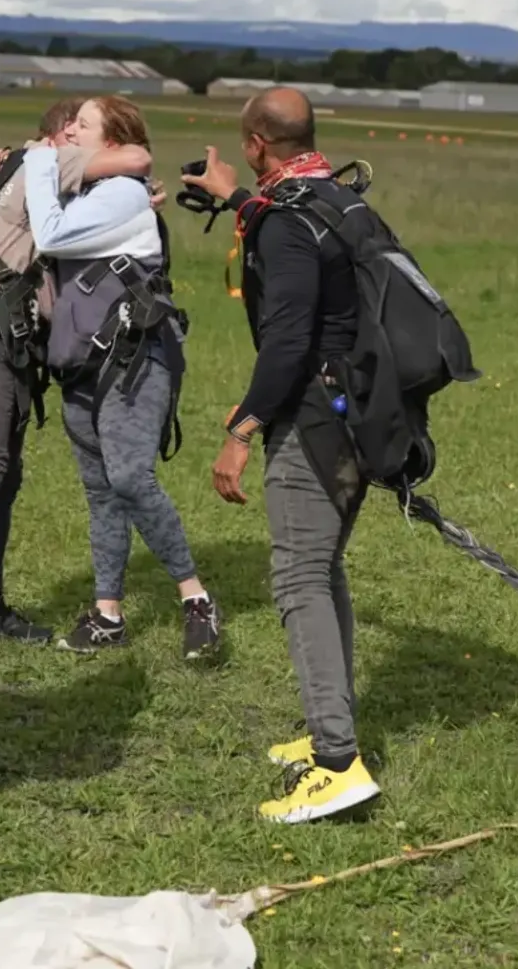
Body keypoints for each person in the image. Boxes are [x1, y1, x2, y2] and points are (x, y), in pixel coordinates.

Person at [0, 98, 159, 670]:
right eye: (79, 130)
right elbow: (138, 157)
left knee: (4, 479)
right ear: (61, 134)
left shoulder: (18, 166)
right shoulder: (49, 162)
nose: (84, 141)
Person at [184, 86, 381, 823]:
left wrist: (242, 430)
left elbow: (289, 339)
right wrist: (238, 200)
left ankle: (336, 762)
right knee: (322, 568)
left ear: (257, 143)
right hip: (360, 410)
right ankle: (334, 727)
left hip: (314, 422)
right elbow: (300, 247)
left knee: (298, 576)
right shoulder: (335, 196)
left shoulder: (288, 223)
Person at [25, 94, 222, 661]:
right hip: (84, 359)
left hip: (136, 356)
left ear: (112, 143)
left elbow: (54, 238)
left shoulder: (121, 193)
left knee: (131, 477)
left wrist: (40, 165)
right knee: (101, 492)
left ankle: (196, 599)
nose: (68, 132)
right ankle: (108, 614)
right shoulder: (93, 187)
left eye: (82, 126)